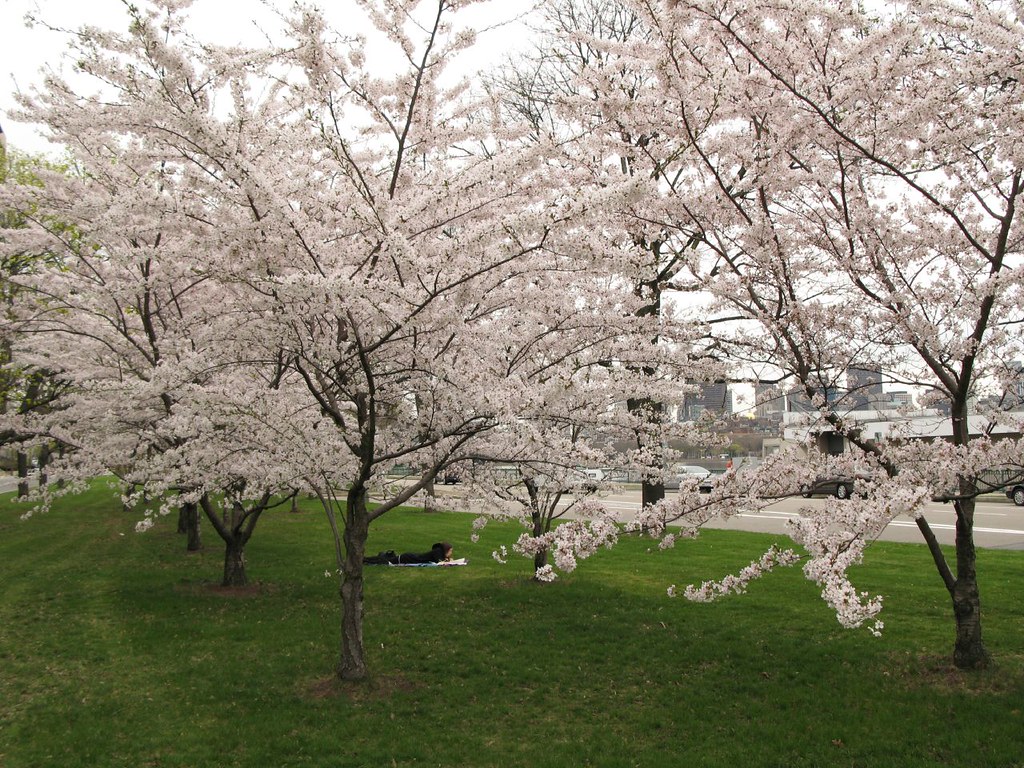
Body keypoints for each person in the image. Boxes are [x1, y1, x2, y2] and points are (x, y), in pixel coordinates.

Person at [363, 541, 452, 565]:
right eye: (450, 550)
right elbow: (440, 563)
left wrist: (447, 559)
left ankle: (366, 559)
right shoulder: (437, 551)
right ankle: (366, 559)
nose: (451, 552)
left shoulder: (439, 551)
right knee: (386, 562)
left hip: (410, 557)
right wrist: (448, 559)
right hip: (408, 558)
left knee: (387, 560)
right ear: (446, 549)